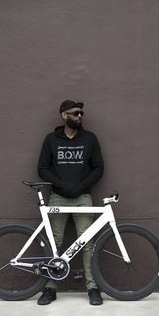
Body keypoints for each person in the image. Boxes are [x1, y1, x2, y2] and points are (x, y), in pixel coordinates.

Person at [37, 100, 104, 305]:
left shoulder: (90, 139)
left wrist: (80, 185)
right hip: (58, 196)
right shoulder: (51, 140)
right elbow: (42, 169)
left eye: (81, 113)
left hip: (83, 197)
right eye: (75, 113)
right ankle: (49, 288)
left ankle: (92, 288)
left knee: (87, 243)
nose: (80, 116)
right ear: (63, 115)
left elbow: (98, 168)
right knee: (54, 242)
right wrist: (63, 185)